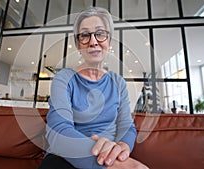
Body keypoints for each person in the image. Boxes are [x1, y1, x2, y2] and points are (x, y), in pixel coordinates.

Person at [38, 7, 148, 169]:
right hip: (65, 157)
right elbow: (59, 130)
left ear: (109, 41)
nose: (93, 41)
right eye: (84, 35)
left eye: (100, 33)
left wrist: (123, 147)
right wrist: (112, 165)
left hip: (110, 153)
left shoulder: (118, 83)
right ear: (78, 44)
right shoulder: (64, 78)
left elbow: (126, 125)